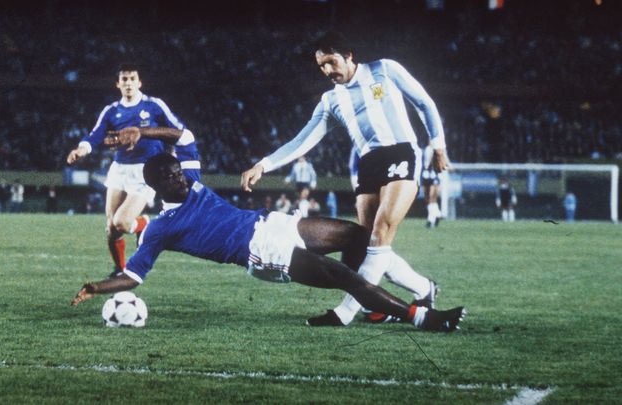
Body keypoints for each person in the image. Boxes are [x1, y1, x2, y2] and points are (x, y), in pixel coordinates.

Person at [71, 153, 465, 333]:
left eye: (180, 172)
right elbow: (134, 277)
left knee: (359, 234)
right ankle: (422, 316)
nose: (181, 178)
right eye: (172, 177)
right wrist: (95, 287)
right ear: (157, 186)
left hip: (273, 223)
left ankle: (382, 304)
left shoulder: (191, 182)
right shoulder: (160, 228)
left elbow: (181, 136)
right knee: (345, 275)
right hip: (262, 253)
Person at [241, 31, 449, 326]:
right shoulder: (330, 100)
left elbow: (424, 103)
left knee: (380, 234)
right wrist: (263, 164)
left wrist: (438, 146)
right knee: (369, 244)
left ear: (349, 55)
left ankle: (345, 312)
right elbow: (303, 141)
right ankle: (423, 288)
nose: (327, 70)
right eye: (321, 66)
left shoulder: (385, 69)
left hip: (402, 152)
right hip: (369, 165)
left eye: (331, 61)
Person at [66, 63, 199, 276]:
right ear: (118, 84)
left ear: (139, 82)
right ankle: (120, 269)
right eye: (124, 79)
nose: (128, 83)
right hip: (119, 169)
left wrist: (175, 152)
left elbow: (178, 129)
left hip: (146, 171)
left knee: (122, 221)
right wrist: (82, 149)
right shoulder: (111, 110)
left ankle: (145, 224)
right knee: (111, 229)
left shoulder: (154, 106)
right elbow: (96, 134)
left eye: (132, 79)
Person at [421, 144, 443, 228]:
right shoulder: (426, 148)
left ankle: (430, 219)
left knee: (432, 197)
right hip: (426, 174)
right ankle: (437, 214)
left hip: (435, 174)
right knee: (427, 198)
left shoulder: (439, 148)